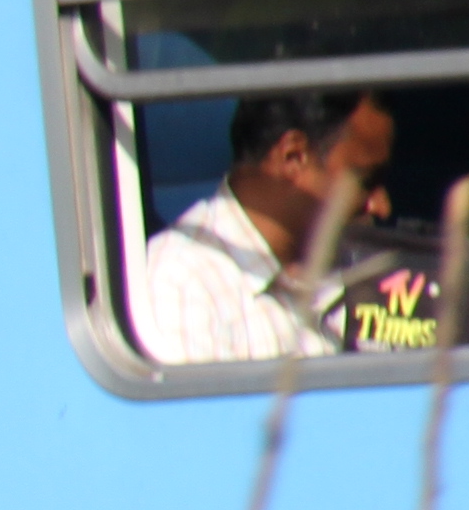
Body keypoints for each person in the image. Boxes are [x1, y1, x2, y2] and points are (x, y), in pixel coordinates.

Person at [136, 87, 391, 363]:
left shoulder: (363, 265)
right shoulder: (183, 285)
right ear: (292, 157)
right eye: (366, 181)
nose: (381, 205)